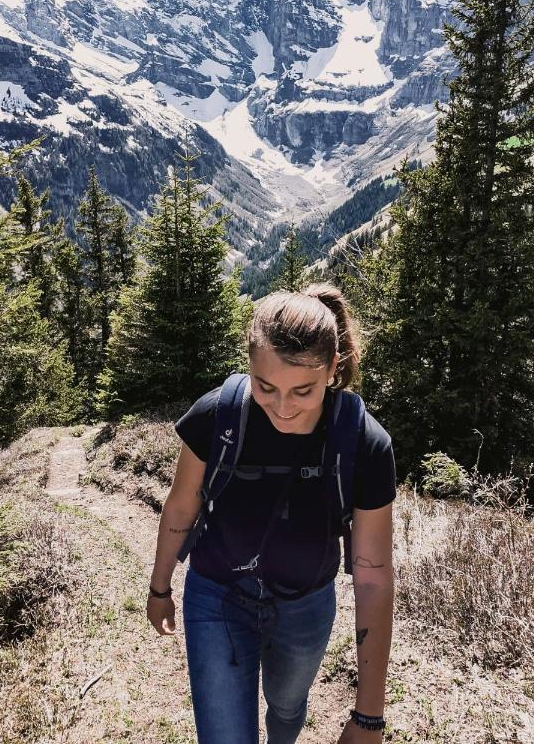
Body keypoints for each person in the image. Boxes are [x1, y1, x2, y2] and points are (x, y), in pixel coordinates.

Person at [146, 284, 396, 744]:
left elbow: (374, 574)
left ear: (333, 369)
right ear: (248, 366)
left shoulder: (364, 442)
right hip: (216, 596)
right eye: (265, 387)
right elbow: (182, 505)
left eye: (303, 390)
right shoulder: (216, 416)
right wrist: (159, 586)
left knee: (286, 709)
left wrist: (369, 717)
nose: (283, 407)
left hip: (306, 606)